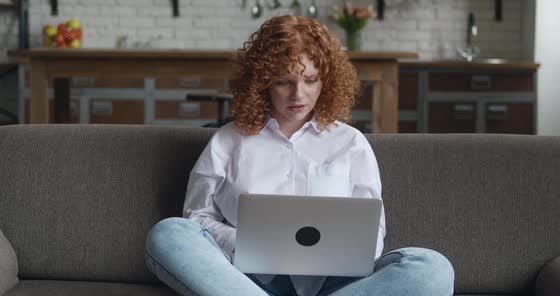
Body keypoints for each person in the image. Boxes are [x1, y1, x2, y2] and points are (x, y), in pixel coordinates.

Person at [145, 15, 455, 296]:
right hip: (246, 280)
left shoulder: (351, 143)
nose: (298, 94)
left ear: (326, 80)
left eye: (310, 80)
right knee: (169, 234)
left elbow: (372, 231)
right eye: (284, 82)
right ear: (263, 82)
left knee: (432, 268)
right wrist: (248, 245)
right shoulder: (228, 140)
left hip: (338, 283)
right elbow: (196, 220)